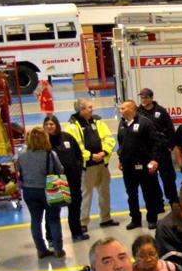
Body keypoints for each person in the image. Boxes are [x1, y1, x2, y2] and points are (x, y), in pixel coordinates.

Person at [66, 97, 118, 228]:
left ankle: (105, 219)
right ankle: (83, 222)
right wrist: (90, 156)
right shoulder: (72, 126)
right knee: (86, 195)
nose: (92, 109)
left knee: (104, 193)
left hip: (102, 164)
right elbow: (75, 147)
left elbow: (109, 139)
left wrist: (104, 152)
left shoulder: (97, 121)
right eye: (89, 107)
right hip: (87, 167)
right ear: (81, 110)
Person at [16, 126, 65, 258]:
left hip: (29, 190)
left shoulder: (22, 154)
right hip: (48, 188)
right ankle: (58, 249)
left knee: (35, 220)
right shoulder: (50, 154)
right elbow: (60, 170)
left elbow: (18, 170)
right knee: (53, 219)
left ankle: (41, 249)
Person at [116, 100, 165, 230]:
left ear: (132, 109)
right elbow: (121, 144)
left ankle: (152, 219)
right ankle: (135, 219)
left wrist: (154, 160)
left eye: (123, 108)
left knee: (148, 194)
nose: (121, 110)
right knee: (131, 195)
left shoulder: (145, 123)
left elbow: (156, 143)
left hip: (144, 165)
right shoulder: (122, 124)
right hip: (128, 167)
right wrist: (121, 159)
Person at [44, 114, 86, 242]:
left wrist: (78, 168)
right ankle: (51, 237)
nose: (49, 126)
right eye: (47, 124)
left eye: (51, 124)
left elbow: (78, 154)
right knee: (53, 210)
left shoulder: (67, 137)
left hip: (73, 179)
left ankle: (77, 232)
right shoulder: (43, 142)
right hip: (55, 181)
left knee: (74, 207)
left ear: (56, 125)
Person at [137, 88, 178, 205]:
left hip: (162, 150)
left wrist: (170, 145)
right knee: (151, 178)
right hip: (148, 152)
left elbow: (170, 129)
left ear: (151, 98)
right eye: (142, 97)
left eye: (146, 97)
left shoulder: (161, 111)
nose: (143, 100)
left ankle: (173, 199)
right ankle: (158, 201)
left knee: (168, 176)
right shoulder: (138, 112)